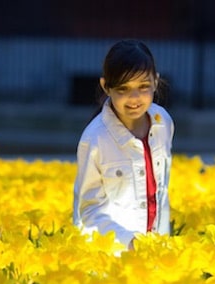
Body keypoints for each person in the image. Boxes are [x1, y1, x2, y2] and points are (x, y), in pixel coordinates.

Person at [72, 39, 174, 250]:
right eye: (123, 88)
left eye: (143, 86)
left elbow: (161, 193)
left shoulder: (163, 122)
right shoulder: (95, 138)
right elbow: (89, 210)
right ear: (105, 87)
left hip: (155, 253)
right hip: (111, 259)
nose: (134, 98)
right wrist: (129, 242)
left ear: (155, 81)